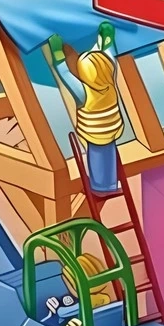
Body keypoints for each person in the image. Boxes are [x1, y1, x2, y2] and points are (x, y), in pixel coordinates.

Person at [48, 22, 123, 196]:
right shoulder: (109, 78)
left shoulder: (83, 92)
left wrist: (58, 55)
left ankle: (100, 187)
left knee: (97, 157)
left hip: (95, 133)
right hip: (112, 128)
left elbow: (65, 75)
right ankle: (111, 184)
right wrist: (107, 40)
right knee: (109, 154)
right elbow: (109, 56)